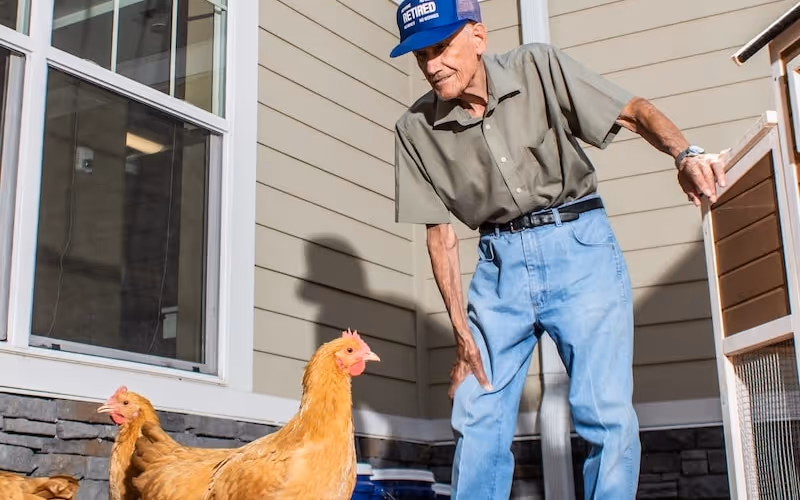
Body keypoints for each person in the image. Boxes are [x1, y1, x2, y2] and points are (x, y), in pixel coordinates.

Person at [388, 0, 727, 498]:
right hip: (498, 266)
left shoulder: (537, 67)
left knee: (604, 414)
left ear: (477, 37)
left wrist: (684, 152)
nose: (432, 65)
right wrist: (462, 337)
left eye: (441, 47)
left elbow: (631, 112)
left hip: (578, 246)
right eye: (420, 55)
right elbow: (439, 236)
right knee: (478, 415)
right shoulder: (413, 129)